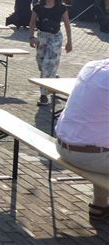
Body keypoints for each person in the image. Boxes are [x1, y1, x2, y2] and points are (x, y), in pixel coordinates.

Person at [54, 57, 109, 221]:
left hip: (63, 146)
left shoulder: (91, 65)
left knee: (99, 136)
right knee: (100, 144)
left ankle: (99, 205)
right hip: (90, 156)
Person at [30, 0, 73, 106]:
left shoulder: (61, 7)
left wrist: (69, 42)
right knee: (41, 62)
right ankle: (52, 78)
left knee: (47, 65)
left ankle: (44, 95)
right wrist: (31, 37)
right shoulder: (38, 7)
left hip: (55, 38)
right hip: (42, 37)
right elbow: (32, 22)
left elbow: (67, 24)